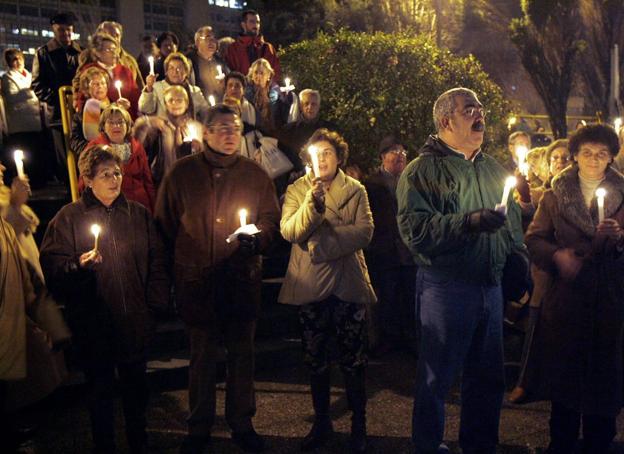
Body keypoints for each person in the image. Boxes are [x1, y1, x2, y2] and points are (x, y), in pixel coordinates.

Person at [396, 87, 524, 454]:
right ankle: (427, 444)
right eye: (469, 109)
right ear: (445, 121)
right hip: (446, 286)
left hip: (490, 287)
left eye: (480, 108)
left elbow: (512, 223)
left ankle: (480, 444)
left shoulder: (493, 167)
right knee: (437, 377)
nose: (479, 114)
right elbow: (416, 231)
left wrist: (519, 257)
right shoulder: (422, 171)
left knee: (488, 378)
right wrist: (467, 223)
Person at [155, 105, 280, 453]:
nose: (229, 134)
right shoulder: (182, 174)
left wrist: (258, 240)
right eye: (221, 127)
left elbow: (271, 221)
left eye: (235, 127)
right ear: (206, 132)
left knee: (242, 355)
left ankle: (242, 421)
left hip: (240, 279)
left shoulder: (255, 174)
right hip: (199, 282)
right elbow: (163, 226)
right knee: (202, 357)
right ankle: (199, 427)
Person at [40, 145, 169, 454]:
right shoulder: (68, 218)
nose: (114, 180)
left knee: (136, 392)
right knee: (100, 393)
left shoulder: (137, 214)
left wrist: (154, 307)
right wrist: (78, 265)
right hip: (94, 324)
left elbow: (157, 261)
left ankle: (140, 442)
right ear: (87, 179)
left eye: (117, 173)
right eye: (105, 174)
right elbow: (53, 266)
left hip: (135, 320)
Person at [523, 124, 624, 454]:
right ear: (576, 157)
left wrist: (619, 240)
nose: (594, 159)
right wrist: (558, 255)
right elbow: (534, 239)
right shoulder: (555, 196)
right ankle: (561, 442)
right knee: (565, 384)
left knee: (603, 383)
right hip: (568, 302)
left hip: (610, 302)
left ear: (611, 158)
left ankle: (599, 441)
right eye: (587, 153)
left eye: (601, 154)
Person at [278, 128, 375, 453]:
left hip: (347, 285)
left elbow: (364, 232)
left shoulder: (356, 189)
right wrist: (313, 207)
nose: (322, 160)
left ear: (338, 157)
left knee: (353, 359)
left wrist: (320, 245)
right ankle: (322, 423)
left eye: (328, 154)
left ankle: (359, 425)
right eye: (316, 155)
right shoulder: (297, 190)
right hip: (311, 287)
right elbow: (289, 231)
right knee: (315, 359)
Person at [508, 139, 570, 404]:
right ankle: (525, 380)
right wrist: (522, 193)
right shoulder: (542, 192)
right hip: (543, 269)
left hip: (571, 269)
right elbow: (528, 214)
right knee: (535, 324)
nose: (559, 162)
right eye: (555, 158)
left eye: (565, 158)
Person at [364, 137, 416, 355]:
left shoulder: (413, 181)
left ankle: (411, 339)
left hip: (409, 249)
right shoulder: (371, 184)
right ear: (382, 156)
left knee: (410, 295)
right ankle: (389, 340)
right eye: (394, 151)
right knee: (388, 296)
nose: (399, 155)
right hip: (385, 249)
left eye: (403, 151)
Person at [31, 12, 83, 182]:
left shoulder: (80, 52)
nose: (66, 34)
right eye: (61, 30)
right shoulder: (43, 53)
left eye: (69, 30)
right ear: (54, 30)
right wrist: (59, 99)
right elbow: (37, 85)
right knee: (65, 159)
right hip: (58, 116)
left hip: (81, 113)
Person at [87, 105, 156, 213]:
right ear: (103, 126)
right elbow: (85, 181)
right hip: (110, 207)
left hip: (139, 206)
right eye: (111, 122)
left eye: (121, 122)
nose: (116, 126)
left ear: (127, 125)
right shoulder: (95, 147)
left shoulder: (137, 146)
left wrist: (153, 208)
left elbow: (147, 180)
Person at [135, 85, 203, 185]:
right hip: (163, 180)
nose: (175, 103)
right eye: (171, 100)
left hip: (188, 181)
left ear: (187, 103)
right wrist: (146, 122)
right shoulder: (158, 125)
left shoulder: (196, 127)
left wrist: (198, 148)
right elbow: (138, 145)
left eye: (179, 100)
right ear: (166, 104)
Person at [1, 49, 48, 187]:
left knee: (36, 153)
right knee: (24, 154)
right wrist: (30, 91)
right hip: (19, 124)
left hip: (35, 121)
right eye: (13, 59)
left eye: (19, 58)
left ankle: (39, 181)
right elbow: (12, 96)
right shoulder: (7, 78)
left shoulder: (29, 75)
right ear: (9, 62)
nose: (17, 61)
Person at [74, 32, 140, 119]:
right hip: (100, 118)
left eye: (114, 49)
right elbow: (81, 99)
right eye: (108, 50)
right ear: (97, 53)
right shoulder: (89, 71)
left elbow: (135, 97)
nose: (114, 53)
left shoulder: (125, 71)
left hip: (127, 118)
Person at [74, 21, 145, 95]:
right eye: (109, 35)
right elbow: (79, 81)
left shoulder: (130, 60)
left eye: (117, 35)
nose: (114, 38)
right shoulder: (90, 55)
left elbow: (140, 87)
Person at [138, 52, 208, 121]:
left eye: (179, 68)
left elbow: (206, 113)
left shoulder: (195, 91)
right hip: (164, 130)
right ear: (166, 72)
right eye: (171, 68)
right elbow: (145, 108)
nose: (175, 72)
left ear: (186, 72)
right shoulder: (157, 87)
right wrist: (149, 88)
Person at [225, 10, 282, 82]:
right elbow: (231, 73)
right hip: (243, 91)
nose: (255, 25)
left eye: (257, 22)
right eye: (252, 22)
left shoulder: (268, 48)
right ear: (243, 24)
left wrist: (269, 88)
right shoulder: (233, 49)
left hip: (265, 91)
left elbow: (276, 72)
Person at [186, 26, 229, 100]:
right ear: (197, 42)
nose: (212, 42)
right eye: (208, 38)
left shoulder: (221, 62)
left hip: (220, 104)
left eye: (214, 39)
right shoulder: (190, 62)